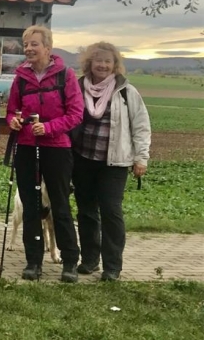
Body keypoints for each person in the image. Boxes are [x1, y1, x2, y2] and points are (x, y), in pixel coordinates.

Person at [6, 25, 84, 282]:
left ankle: (70, 260)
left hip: (57, 149)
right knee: (31, 206)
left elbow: (76, 114)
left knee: (60, 205)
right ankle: (33, 261)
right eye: (25, 45)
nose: (28, 49)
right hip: (27, 148)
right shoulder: (20, 78)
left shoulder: (65, 75)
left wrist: (49, 127)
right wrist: (14, 122)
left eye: (34, 44)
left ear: (48, 48)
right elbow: (12, 111)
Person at [71, 41, 151, 282]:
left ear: (115, 65)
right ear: (89, 63)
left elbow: (141, 125)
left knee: (111, 211)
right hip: (82, 158)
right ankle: (89, 260)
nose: (102, 65)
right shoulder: (76, 87)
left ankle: (113, 266)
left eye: (108, 61)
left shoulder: (126, 91)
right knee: (86, 211)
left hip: (114, 163)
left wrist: (141, 158)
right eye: (98, 61)